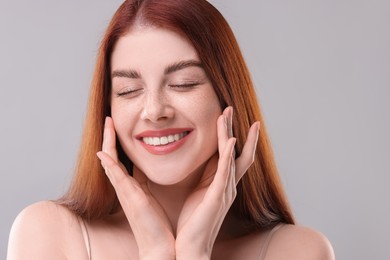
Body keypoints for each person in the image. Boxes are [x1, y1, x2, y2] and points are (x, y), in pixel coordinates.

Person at [7, 0, 334, 259]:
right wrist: (156, 253)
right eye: (128, 91)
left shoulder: (300, 252)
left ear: (227, 95)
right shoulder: (48, 234)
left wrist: (194, 251)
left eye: (183, 83)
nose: (154, 111)